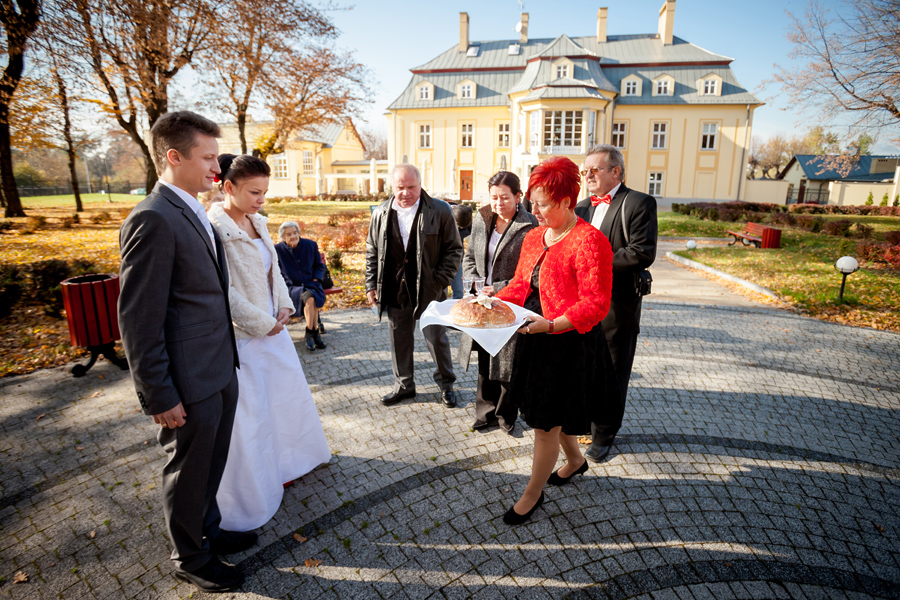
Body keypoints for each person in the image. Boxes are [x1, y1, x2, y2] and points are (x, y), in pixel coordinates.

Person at [118, 111, 251, 593]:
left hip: (217, 368)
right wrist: (158, 393)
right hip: (186, 380)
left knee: (210, 463)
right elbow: (138, 317)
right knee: (188, 469)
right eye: (209, 157)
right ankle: (191, 557)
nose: (218, 167)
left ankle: (208, 529)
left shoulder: (193, 207)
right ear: (174, 157)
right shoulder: (152, 217)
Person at [207, 154, 330, 533]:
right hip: (245, 337)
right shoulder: (213, 229)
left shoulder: (258, 221)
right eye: (254, 192)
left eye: (265, 192)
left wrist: (284, 306)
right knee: (254, 410)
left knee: (284, 400)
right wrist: (262, 323)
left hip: (275, 330)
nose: (261, 200)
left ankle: (290, 461)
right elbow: (222, 290)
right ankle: (262, 477)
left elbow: (273, 271)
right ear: (228, 187)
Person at [494, 156, 615, 525]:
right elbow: (521, 284)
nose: (534, 211)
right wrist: (491, 303)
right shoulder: (535, 236)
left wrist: (550, 325)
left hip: (568, 343)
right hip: (535, 338)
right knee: (548, 414)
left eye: (542, 204)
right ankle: (576, 461)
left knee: (545, 423)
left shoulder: (590, 240)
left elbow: (596, 304)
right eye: (532, 202)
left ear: (566, 201)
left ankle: (533, 493)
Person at [575, 144, 658, 463]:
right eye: (586, 170)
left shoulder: (638, 202)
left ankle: (605, 433)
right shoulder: (581, 208)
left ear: (616, 171)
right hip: (581, 304)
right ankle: (585, 421)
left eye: (595, 169)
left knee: (612, 369)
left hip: (616, 305)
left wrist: (593, 264)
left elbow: (641, 251)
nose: (588, 175)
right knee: (584, 366)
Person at [365, 164, 463, 408]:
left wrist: (439, 281)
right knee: (399, 339)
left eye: (411, 187)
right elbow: (372, 250)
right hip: (394, 288)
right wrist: (371, 284)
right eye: (400, 187)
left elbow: (454, 250)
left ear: (420, 184)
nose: (406, 192)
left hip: (430, 288)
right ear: (392, 187)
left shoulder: (439, 210)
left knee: (436, 338)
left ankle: (446, 385)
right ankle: (404, 385)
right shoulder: (381, 212)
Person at [458, 171, 537, 433]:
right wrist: (473, 282)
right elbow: (470, 256)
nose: (498, 203)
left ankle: (506, 415)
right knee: (484, 356)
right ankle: (485, 413)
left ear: (518, 196)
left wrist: (500, 288)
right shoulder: (482, 218)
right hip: (482, 301)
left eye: (504, 197)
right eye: (494, 197)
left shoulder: (530, 224)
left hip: (512, 300)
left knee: (507, 359)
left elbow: (533, 270)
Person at [274, 220, 327, 352]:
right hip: (292, 287)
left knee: (311, 298)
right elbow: (276, 271)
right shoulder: (277, 250)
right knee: (310, 298)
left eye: (295, 233)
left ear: (299, 233)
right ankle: (314, 332)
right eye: (289, 234)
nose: (293, 236)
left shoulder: (310, 245)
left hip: (311, 283)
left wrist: (316, 279)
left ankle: (310, 332)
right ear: (283, 237)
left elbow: (319, 266)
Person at [449, 202, 473, 299]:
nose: (461, 229)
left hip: (458, 259)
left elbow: (469, 230)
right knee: (440, 293)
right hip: (441, 260)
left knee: (459, 291)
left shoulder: (464, 215)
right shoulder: (441, 214)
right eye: (459, 226)